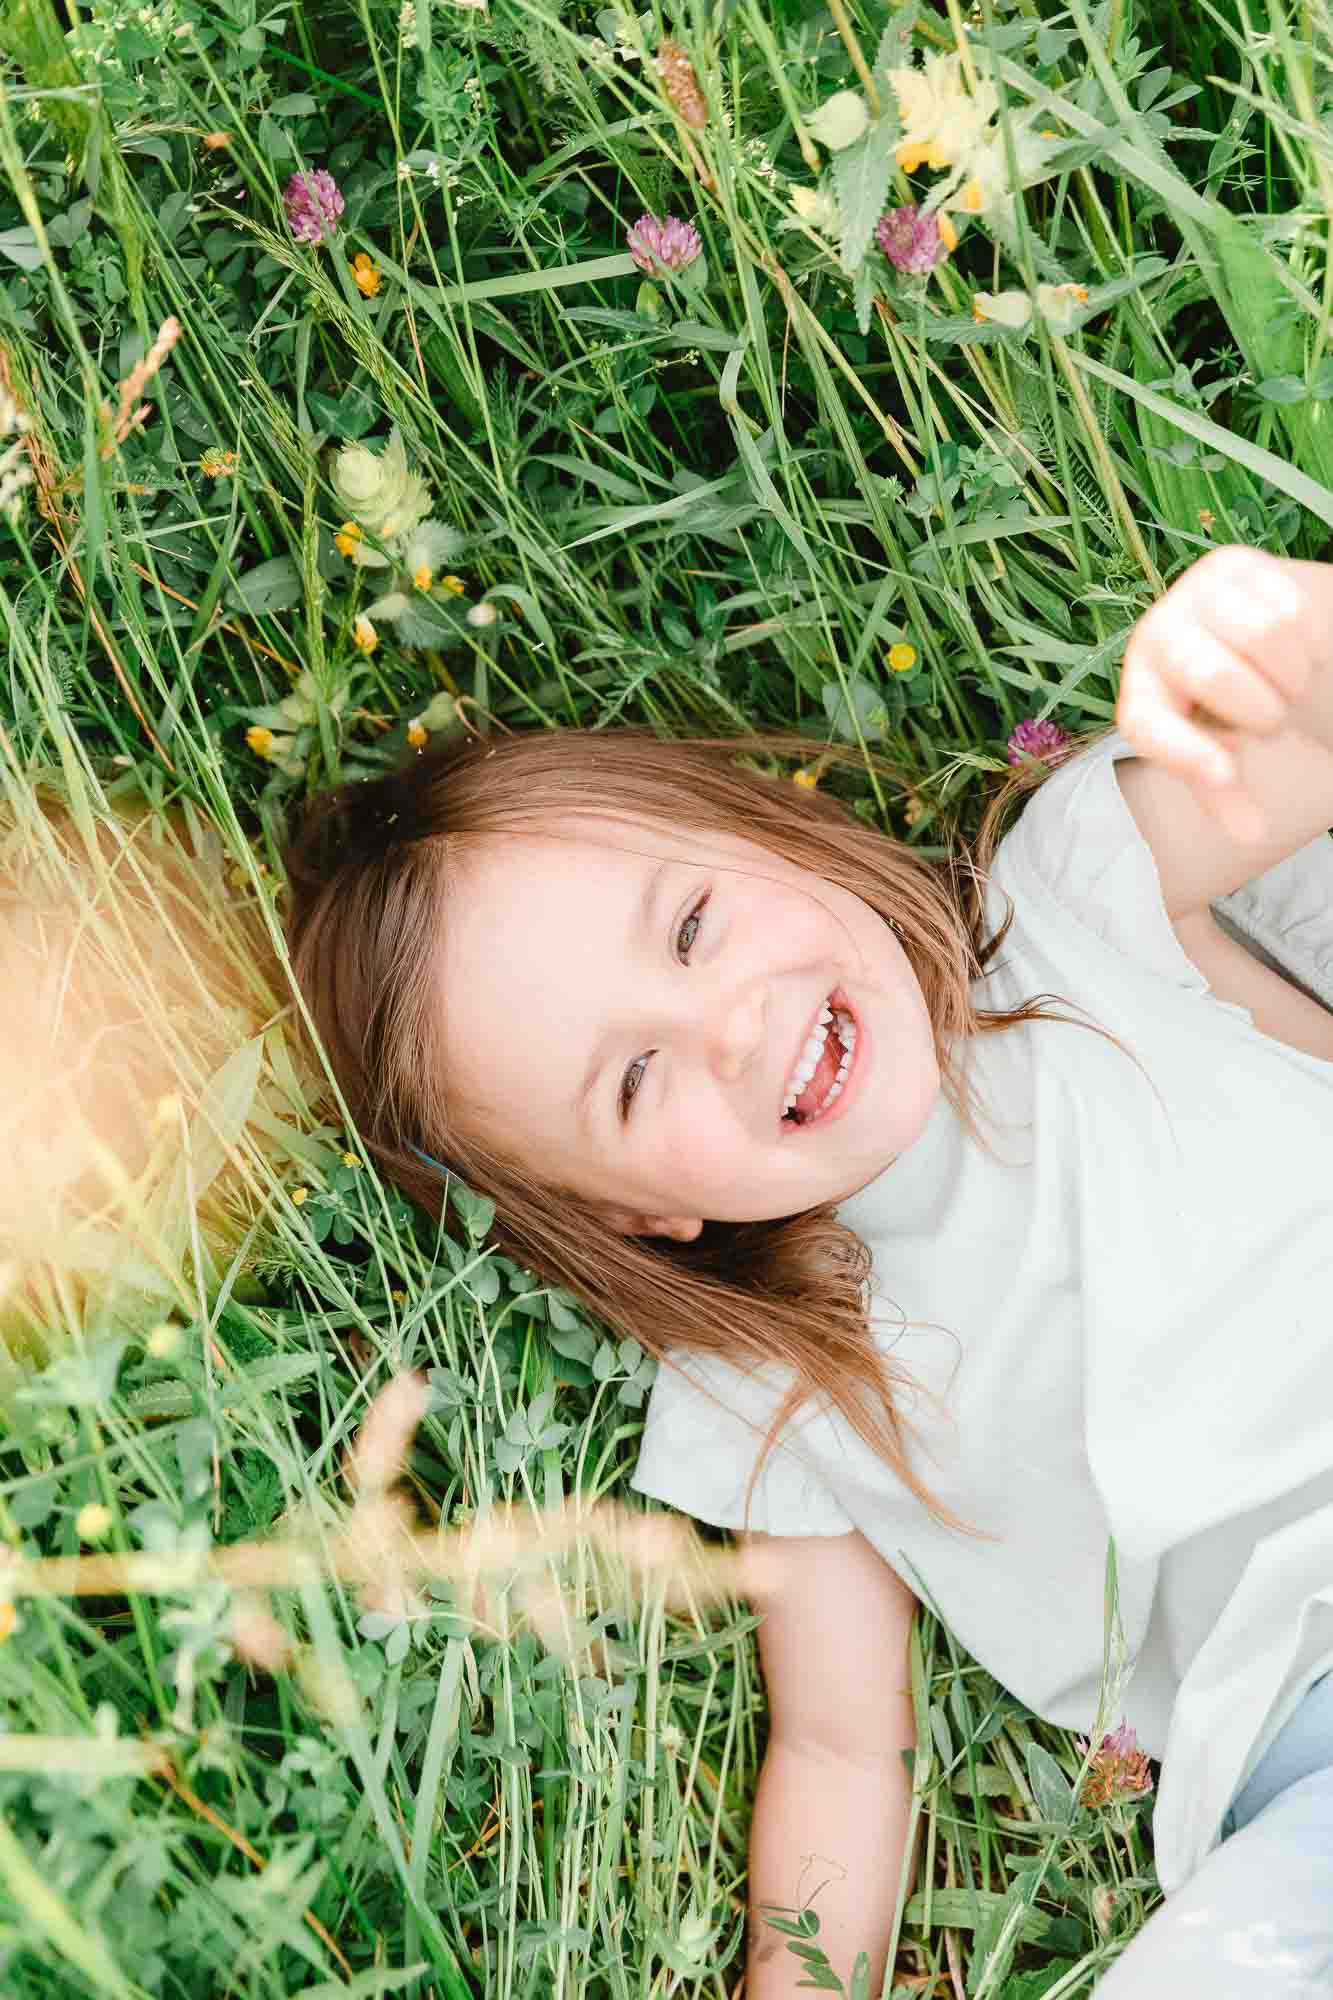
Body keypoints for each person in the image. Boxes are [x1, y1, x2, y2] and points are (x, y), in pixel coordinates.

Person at [284, 543, 1333, 1995]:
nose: (727, 1028)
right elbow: (843, 1744)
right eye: (633, 1085)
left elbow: (1305, 731)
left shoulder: (1072, 906)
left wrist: (1276, 630)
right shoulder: (768, 1381)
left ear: (770, 833)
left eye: (694, 927)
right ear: (635, 1216)